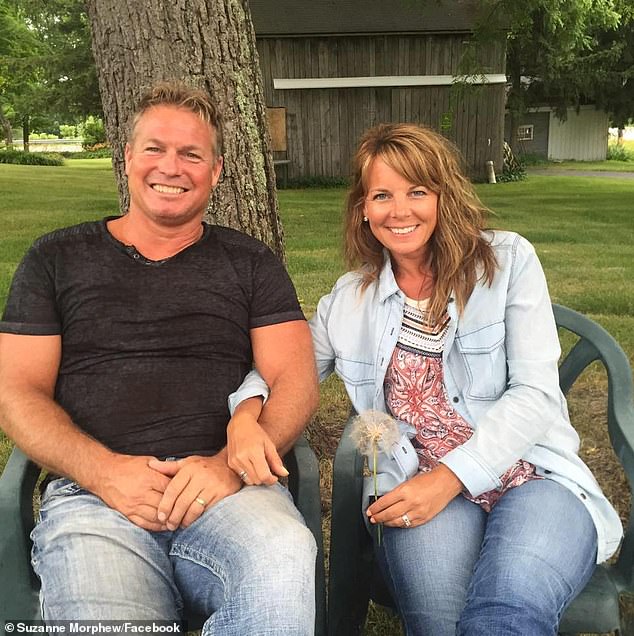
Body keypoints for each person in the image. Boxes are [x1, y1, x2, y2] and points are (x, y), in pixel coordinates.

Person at [229, 123, 623, 635]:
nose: (400, 210)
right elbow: (284, 368)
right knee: (439, 624)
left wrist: (452, 477)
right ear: (362, 209)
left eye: (418, 191)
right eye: (382, 195)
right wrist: (245, 413)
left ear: (443, 195)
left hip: (534, 479)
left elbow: (536, 392)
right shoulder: (348, 302)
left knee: (507, 614)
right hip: (418, 484)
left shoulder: (507, 262)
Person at [0, 81, 319, 634]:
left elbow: (295, 378)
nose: (171, 167)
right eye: (154, 148)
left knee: (282, 561)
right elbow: (14, 392)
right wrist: (102, 471)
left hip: (227, 490)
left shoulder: (249, 262)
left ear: (215, 170)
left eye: (191, 154)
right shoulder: (56, 257)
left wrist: (226, 467)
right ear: (127, 158)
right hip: (96, 499)